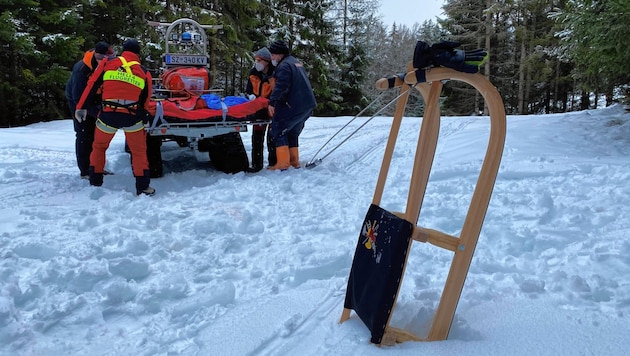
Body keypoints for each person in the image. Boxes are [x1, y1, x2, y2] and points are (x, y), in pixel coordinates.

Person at [75, 39, 155, 196]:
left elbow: (92, 85)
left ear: (123, 51)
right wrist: (144, 115)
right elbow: (146, 99)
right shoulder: (144, 72)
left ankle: (95, 182)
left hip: (108, 115)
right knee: (138, 152)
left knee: (99, 147)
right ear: (138, 54)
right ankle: (143, 187)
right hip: (132, 117)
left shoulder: (107, 64)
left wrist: (81, 107)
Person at [65, 41, 115, 179]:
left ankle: (97, 166)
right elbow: (77, 96)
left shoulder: (109, 65)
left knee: (97, 136)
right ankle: (85, 170)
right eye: (101, 59)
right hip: (78, 102)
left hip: (96, 100)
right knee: (83, 134)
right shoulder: (81, 70)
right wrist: (92, 111)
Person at [267, 40, 317, 170]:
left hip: (295, 104)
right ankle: (294, 161)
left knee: (278, 128)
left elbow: (281, 86)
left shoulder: (284, 66)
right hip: (307, 105)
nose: (271, 58)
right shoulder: (296, 62)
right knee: (292, 131)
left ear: (279, 54)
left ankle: (283, 164)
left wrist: (272, 102)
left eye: (272, 55)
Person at [245, 47, 276, 172]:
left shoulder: (275, 74)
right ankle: (256, 164)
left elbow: (278, 91)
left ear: (266, 61)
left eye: (259, 60)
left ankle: (273, 163)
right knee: (257, 138)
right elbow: (248, 89)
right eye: (255, 60)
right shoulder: (253, 73)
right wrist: (250, 96)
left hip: (271, 107)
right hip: (258, 108)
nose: (256, 62)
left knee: (272, 137)